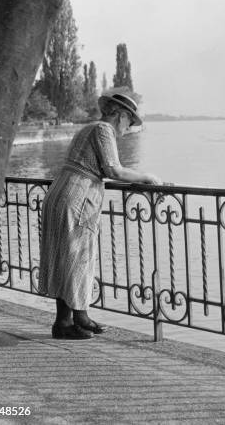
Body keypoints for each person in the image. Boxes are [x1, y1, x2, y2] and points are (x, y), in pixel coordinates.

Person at [38, 92, 160, 339]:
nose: (130, 128)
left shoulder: (88, 128)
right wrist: (148, 177)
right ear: (121, 115)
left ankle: (71, 320)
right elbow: (113, 169)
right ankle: (69, 322)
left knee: (66, 257)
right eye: (130, 122)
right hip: (77, 197)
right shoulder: (104, 129)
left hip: (61, 192)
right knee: (78, 256)